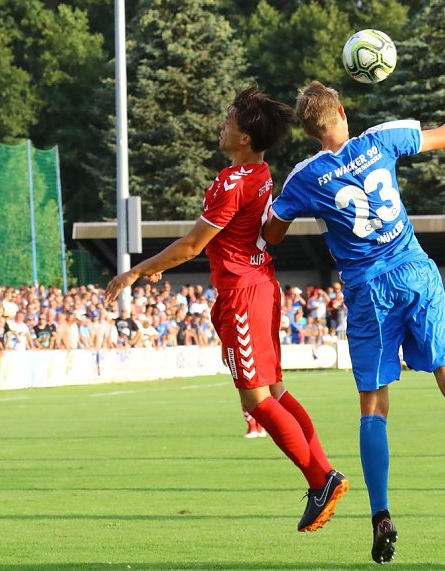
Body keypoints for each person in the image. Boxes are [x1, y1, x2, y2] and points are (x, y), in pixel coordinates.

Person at [262, 81, 445, 563]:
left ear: (310, 128)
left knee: (373, 407)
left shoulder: (304, 177)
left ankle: (381, 515)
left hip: (366, 292)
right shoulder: (381, 138)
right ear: (341, 110)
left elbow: (272, 233)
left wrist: (295, 208)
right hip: (415, 272)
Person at [105, 85, 347, 533]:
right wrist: (167, 262)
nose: (223, 124)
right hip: (261, 286)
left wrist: (138, 270)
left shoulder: (231, 182)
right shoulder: (259, 174)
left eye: (230, 120)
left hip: (242, 295)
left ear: (246, 138)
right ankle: (325, 473)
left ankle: (321, 479)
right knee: (273, 392)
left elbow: (194, 244)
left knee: (255, 400)